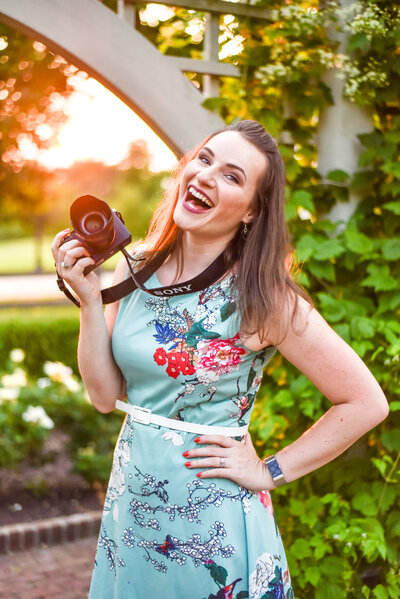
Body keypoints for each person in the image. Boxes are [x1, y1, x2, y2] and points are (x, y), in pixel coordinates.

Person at [51, 120, 388, 599]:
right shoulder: (138, 264)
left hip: (213, 521)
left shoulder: (262, 297)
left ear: (252, 211)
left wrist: (268, 470)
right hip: (134, 511)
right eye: (205, 159)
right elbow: (104, 396)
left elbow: (365, 402)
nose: (206, 176)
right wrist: (89, 300)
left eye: (232, 176)